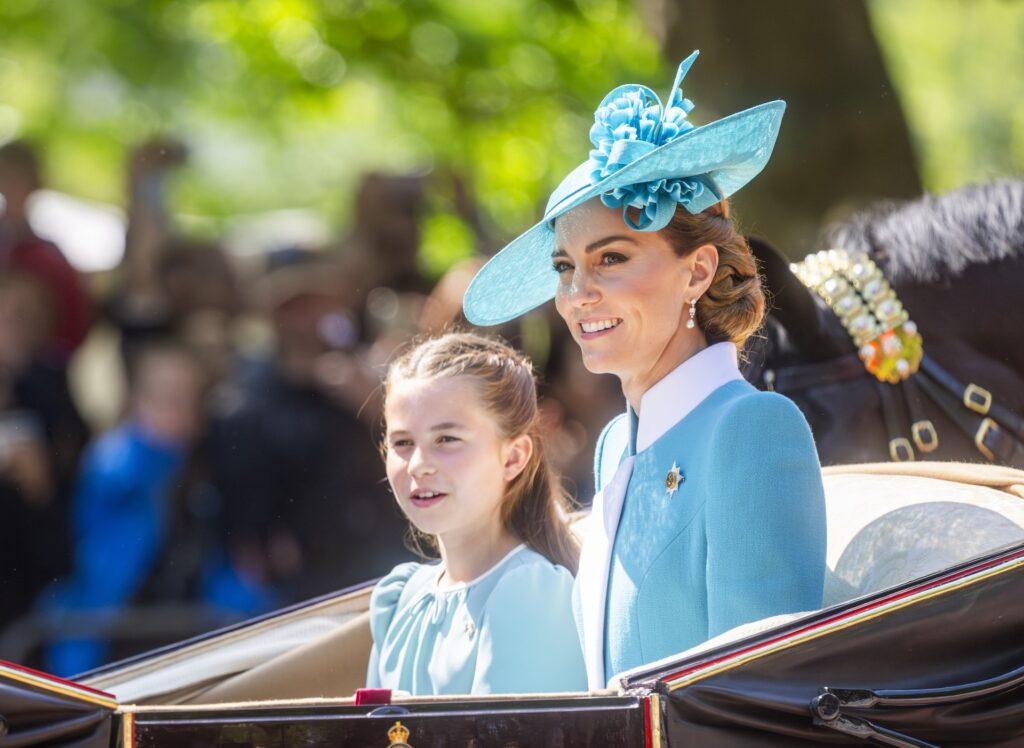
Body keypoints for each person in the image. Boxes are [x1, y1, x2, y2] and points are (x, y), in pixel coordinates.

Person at [462, 51, 827, 688]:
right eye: (564, 267)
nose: (577, 294)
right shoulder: (613, 445)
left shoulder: (753, 427)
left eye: (611, 259)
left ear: (698, 270)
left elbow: (767, 699)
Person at [367, 332, 587, 695]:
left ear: (514, 457)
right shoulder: (398, 599)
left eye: (447, 439)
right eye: (402, 443)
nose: (418, 466)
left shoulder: (529, 593)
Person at [37, 341, 205, 676]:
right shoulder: (118, 456)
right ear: (137, 400)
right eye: (167, 398)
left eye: (190, 400)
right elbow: (119, 484)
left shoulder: (195, 463)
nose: (180, 410)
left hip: (173, 620)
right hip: (102, 626)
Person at [0, 140, 94, 360]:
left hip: (38, 365)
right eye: (6, 176)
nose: (13, 185)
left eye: (20, 177)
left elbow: (74, 323)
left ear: (36, 183)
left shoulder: (50, 257)